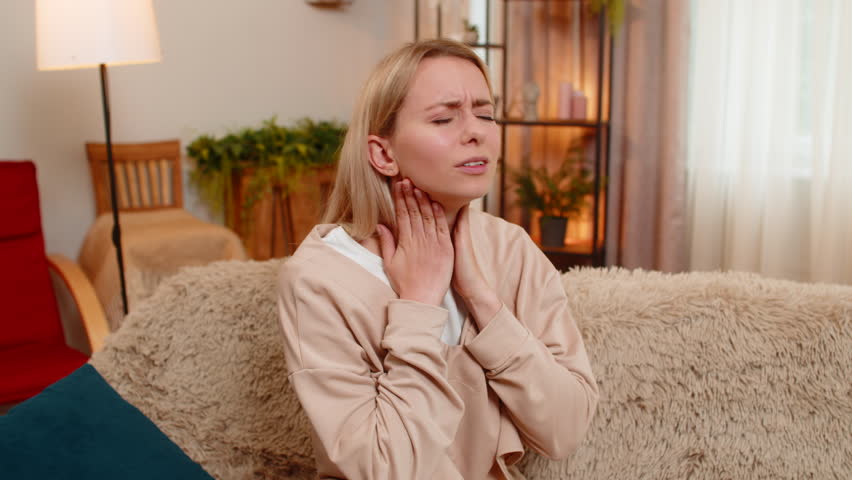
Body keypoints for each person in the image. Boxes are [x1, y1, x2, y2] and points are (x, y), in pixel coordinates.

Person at [276, 39, 598, 480]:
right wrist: (421, 304)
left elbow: (565, 431)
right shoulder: (319, 278)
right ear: (383, 154)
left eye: (485, 114)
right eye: (444, 118)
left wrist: (483, 300)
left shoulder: (510, 248)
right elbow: (382, 468)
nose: (476, 132)